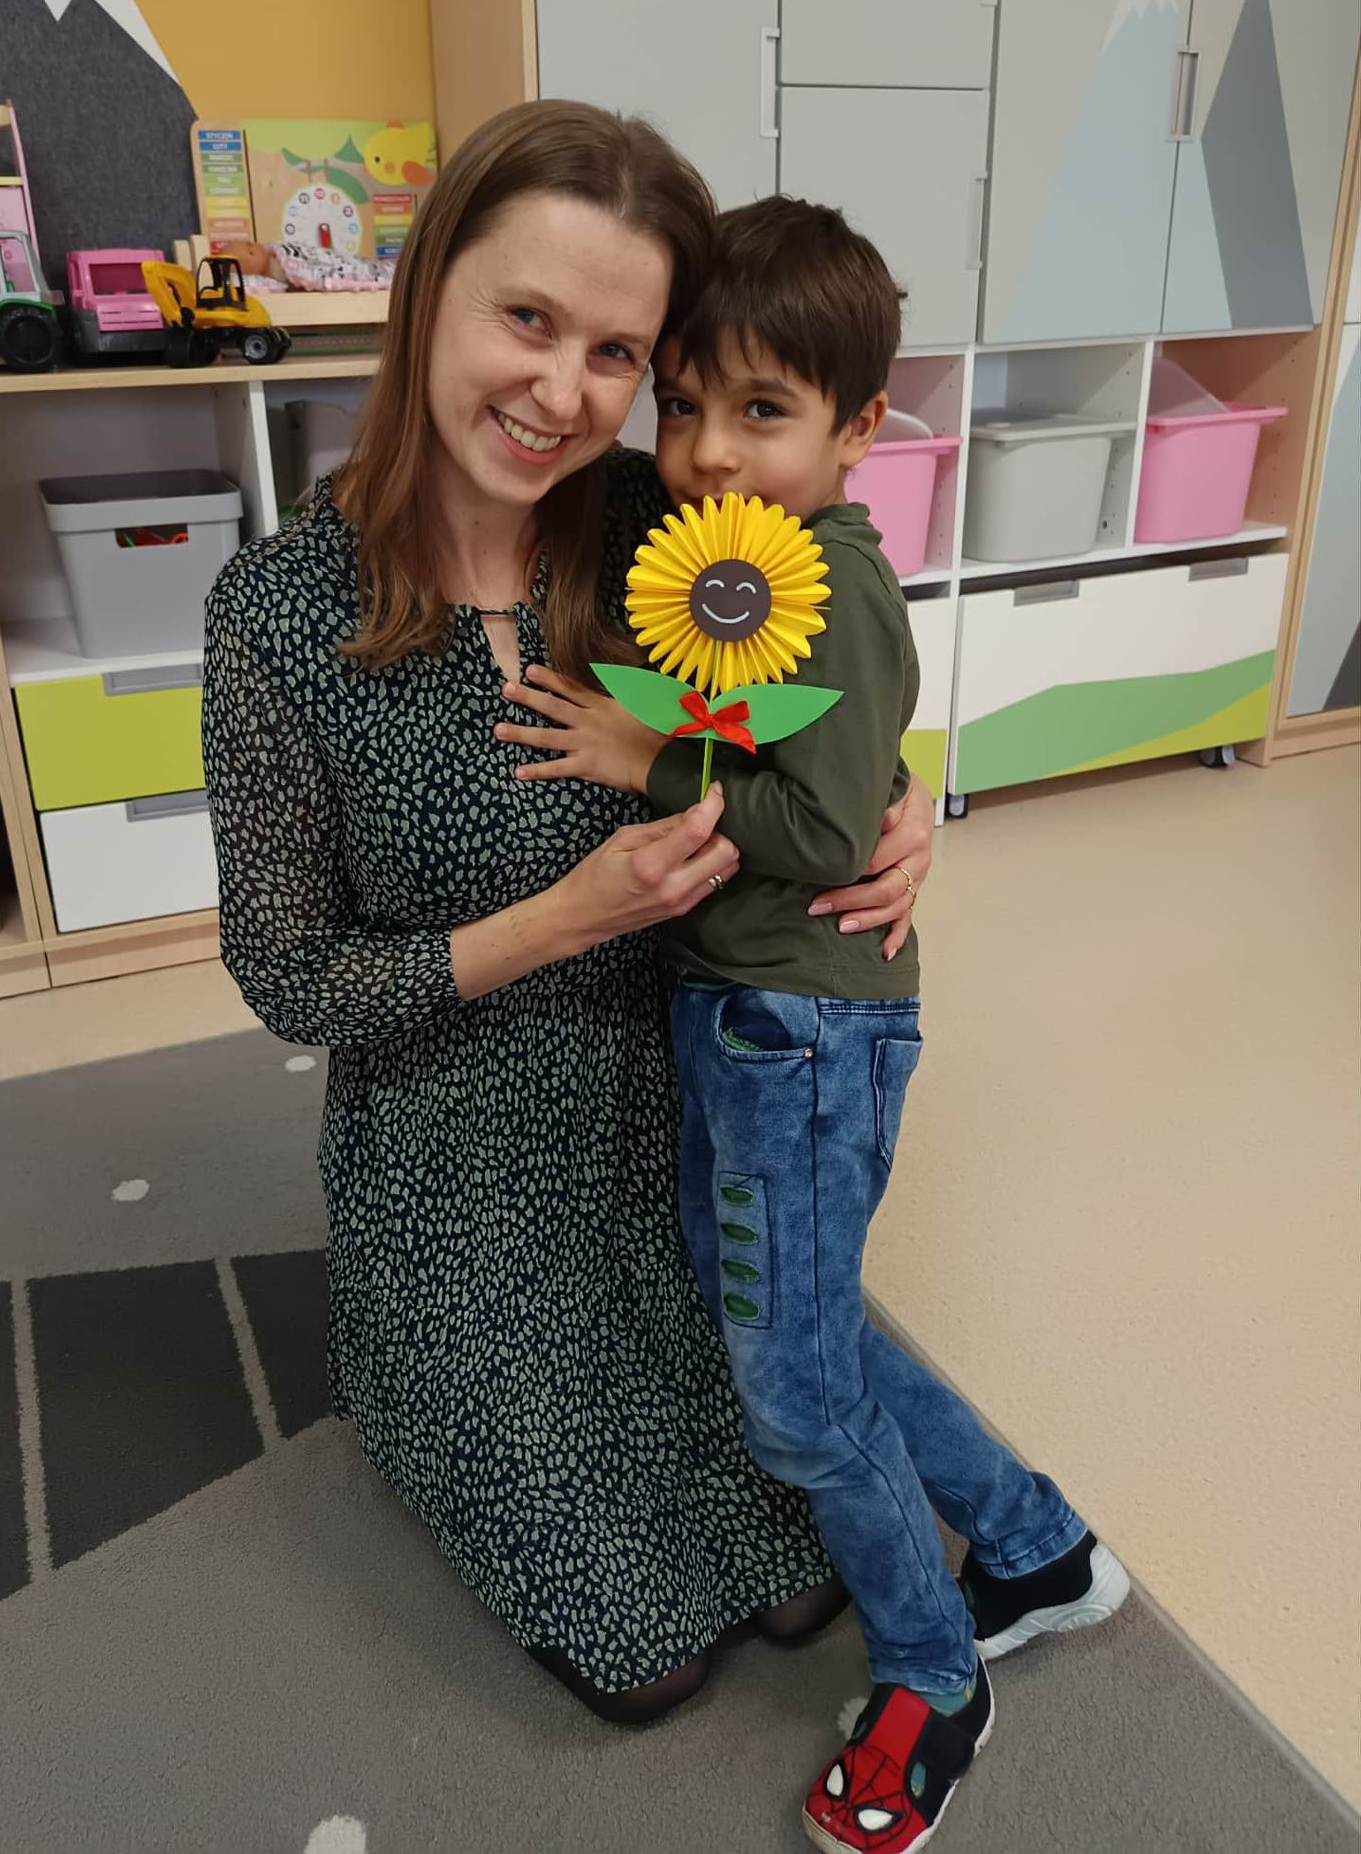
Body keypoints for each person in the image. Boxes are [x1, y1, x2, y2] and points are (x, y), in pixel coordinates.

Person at [202, 102, 936, 1727]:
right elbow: (288, 976)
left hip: (688, 1119)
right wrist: (568, 913)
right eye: (526, 319)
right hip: (457, 1180)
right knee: (640, 1644)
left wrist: (907, 806)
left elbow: (825, 700)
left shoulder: (671, 529)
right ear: (429, 297)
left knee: (793, 1554)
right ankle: (411, 1371)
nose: (562, 393)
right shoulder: (280, 610)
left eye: (617, 355)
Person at [497, 197, 1129, 1851]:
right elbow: (789, 737)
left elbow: (829, 826)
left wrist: (644, 761)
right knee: (805, 1334)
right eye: (684, 406)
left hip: (801, 1027)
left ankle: (932, 1667)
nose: (709, 450)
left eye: (762, 411)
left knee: (792, 1397)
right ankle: (1036, 1547)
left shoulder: (832, 578)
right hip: (746, 1013)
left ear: (861, 428)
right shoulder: (748, 557)